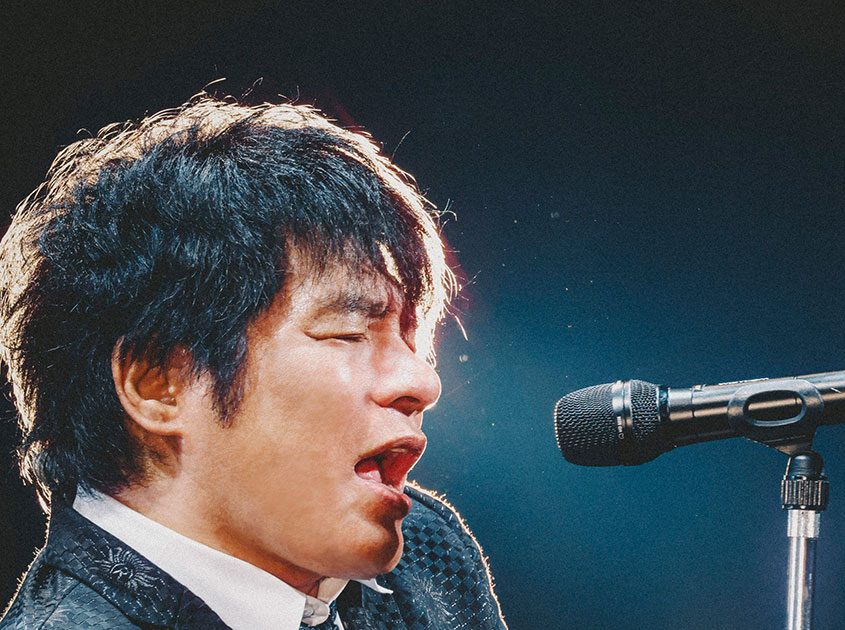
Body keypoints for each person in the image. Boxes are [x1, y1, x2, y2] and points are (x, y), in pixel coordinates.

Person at [0, 95, 506, 630]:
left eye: (410, 339)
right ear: (158, 385)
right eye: (349, 331)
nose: (423, 382)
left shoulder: (427, 556)